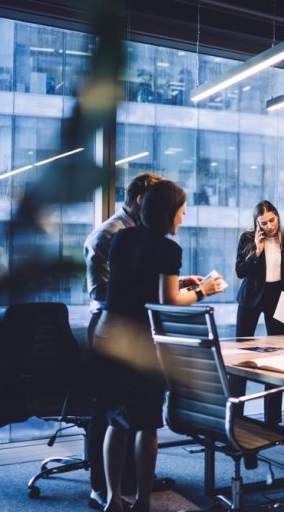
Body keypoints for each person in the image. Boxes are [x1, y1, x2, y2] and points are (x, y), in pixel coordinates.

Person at [96, 179, 224, 512]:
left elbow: (134, 282)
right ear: (169, 212)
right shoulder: (168, 249)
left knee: (116, 422)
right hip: (139, 344)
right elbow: (167, 302)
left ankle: (112, 499)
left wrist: (180, 280)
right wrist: (203, 290)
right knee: (146, 424)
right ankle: (142, 501)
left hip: (108, 336)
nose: (183, 218)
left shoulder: (121, 238)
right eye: (182, 212)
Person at [234, 200, 284, 425]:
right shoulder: (247, 238)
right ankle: (235, 415)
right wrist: (257, 251)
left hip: (276, 297)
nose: (269, 226)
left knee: (277, 356)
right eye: (264, 223)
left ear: (277, 217)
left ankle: (273, 418)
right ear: (256, 223)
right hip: (251, 297)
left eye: (272, 220)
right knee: (241, 354)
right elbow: (240, 271)